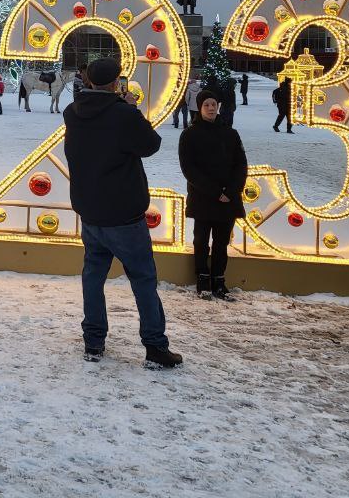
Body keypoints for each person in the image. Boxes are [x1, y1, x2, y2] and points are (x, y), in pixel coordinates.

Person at [63, 56, 181, 370]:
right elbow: (151, 144)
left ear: (88, 82)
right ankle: (155, 346)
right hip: (124, 215)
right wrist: (131, 109)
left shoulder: (72, 112)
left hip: (90, 211)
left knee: (93, 276)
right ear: (116, 82)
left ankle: (93, 342)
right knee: (143, 279)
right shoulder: (123, 115)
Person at [178, 90, 247, 301]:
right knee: (201, 240)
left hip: (228, 199)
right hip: (203, 198)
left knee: (221, 242)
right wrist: (216, 192)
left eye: (213, 104)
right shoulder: (189, 134)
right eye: (206, 104)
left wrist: (231, 191)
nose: (210, 108)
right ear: (199, 107)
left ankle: (218, 279)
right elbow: (189, 169)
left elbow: (241, 165)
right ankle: (202, 277)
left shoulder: (230, 133)